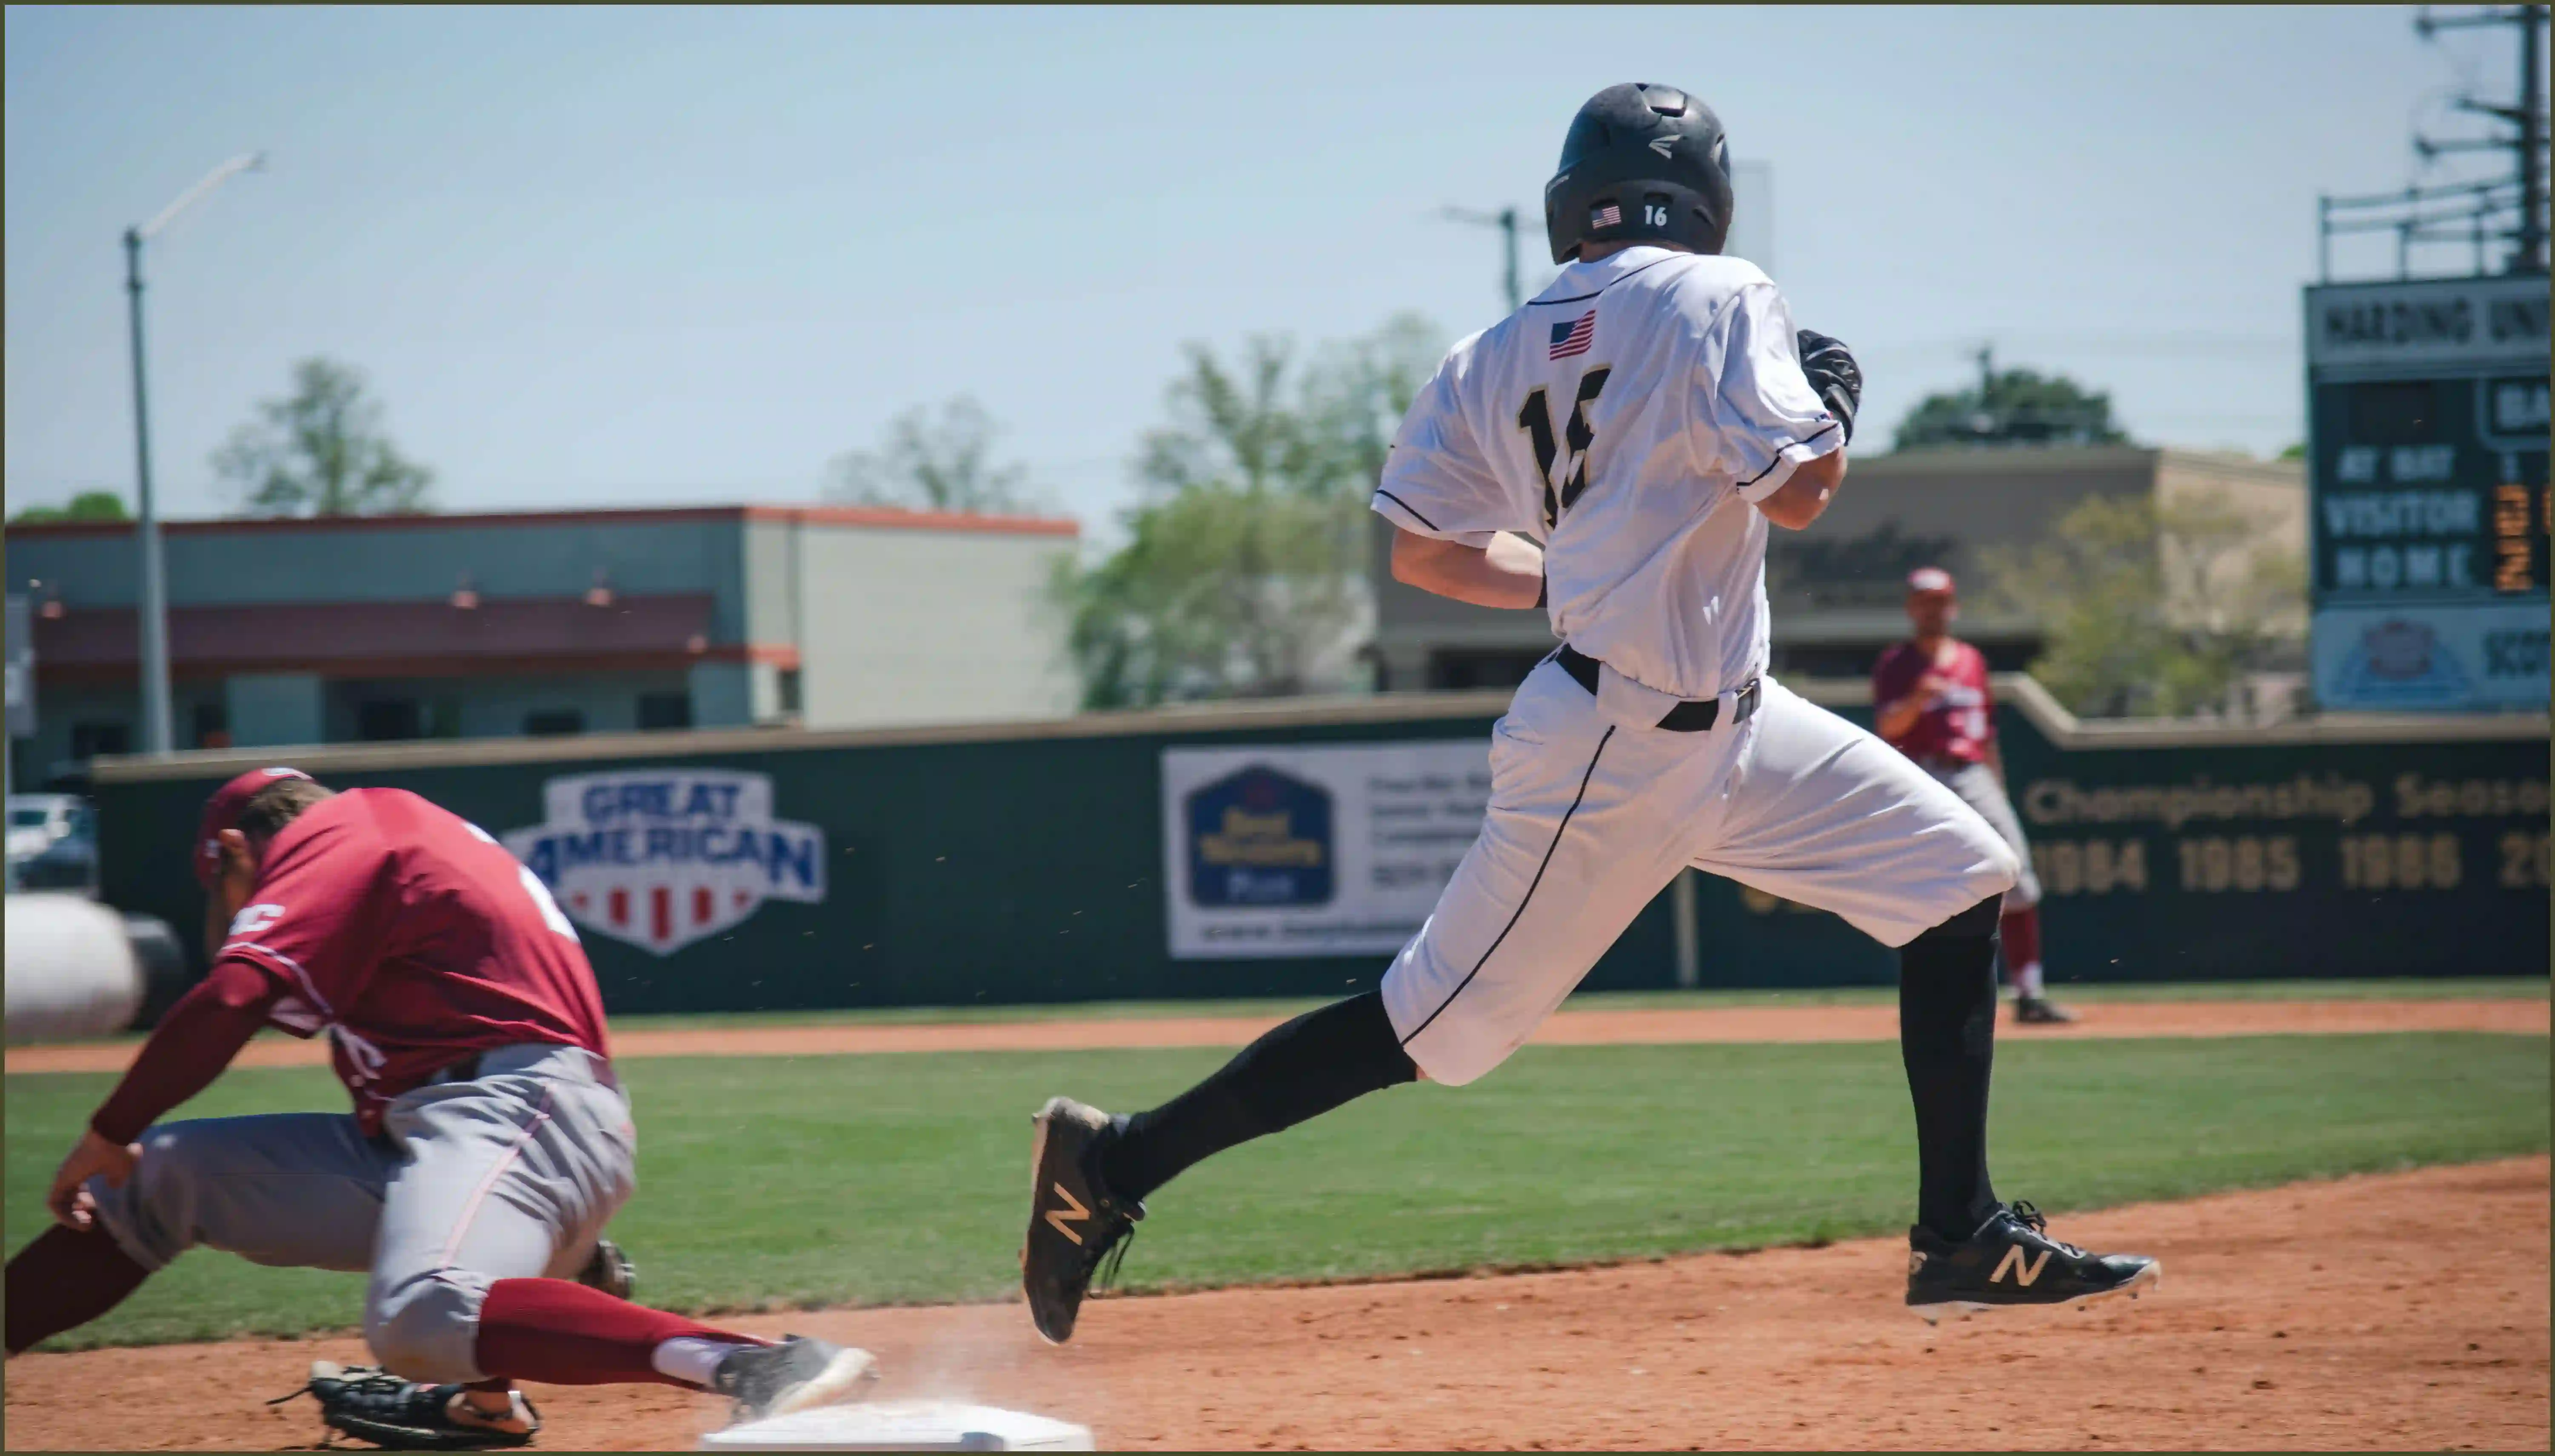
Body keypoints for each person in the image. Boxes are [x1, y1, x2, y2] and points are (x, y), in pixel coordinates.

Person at [1020, 82, 2157, 1343]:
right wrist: (1834, 402)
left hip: (1737, 723)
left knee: (1957, 878)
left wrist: (1570, 571)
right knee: (1434, 1027)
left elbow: (1425, 553)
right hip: (1615, 746)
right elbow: (1800, 494)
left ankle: (1960, 1232)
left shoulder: (1490, 350)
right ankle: (1114, 1161)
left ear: (1575, 203)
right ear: (1705, 196)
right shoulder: (1720, 292)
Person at [5, 767, 874, 1449]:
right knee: (161, 1176)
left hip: (520, 1114)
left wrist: (106, 1129)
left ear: (233, 850)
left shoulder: (345, 832)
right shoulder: (388, 844)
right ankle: (486, 1395)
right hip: (455, 1132)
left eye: (223, 886)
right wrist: (128, 1150)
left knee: (419, 1314)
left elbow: (234, 994)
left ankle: (755, 1365)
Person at [1873, 567, 2075, 1024]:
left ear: (1953, 606)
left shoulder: (1970, 660)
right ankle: (1933, 994)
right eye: (1924, 602)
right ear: (1910, 609)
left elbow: (1987, 734)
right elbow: (1887, 728)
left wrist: (1996, 787)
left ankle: (2030, 994)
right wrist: (1917, 698)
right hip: (1920, 774)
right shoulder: (1896, 663)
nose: (1932, 610)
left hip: (1972, 773)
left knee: (2014, 874)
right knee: (1923, 886)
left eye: (1939, 601)